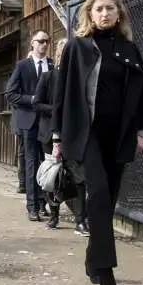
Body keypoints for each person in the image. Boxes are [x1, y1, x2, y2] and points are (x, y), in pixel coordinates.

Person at [52, 0, 143, 285]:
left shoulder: (129, 50)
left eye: (110, 8)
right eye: (99, 9)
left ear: (118, 13)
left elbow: (142, 95)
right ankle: (106, 274)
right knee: (98, 194)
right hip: (86, 134)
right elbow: (61, 95)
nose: (105, 14)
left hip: (119, 134)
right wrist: (56, 137)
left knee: (106, 205)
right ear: (89, 14)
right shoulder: (77, 48)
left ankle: (93, 258)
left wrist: (141, 132)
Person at [33, 38, 88, 233]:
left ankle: (81, 221)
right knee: (53, 176)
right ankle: (54, 216)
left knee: (79, 178)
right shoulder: (48, 77)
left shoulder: (82, 80)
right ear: (59, 55)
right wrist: (58, 110)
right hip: (50, 135)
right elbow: (37, 103)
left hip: (75, 136)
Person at [6, 30, 53, 221]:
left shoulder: (51, 66)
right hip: (29, 121)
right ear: (32, 44)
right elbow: (10, 93)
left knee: (47, 163)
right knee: (32, 162)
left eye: (46, 41)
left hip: (48, 121)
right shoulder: (22, 66)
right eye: (40, 41)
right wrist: (32, 99)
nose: (43, 44)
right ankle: (32, 206)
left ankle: (43, 204)